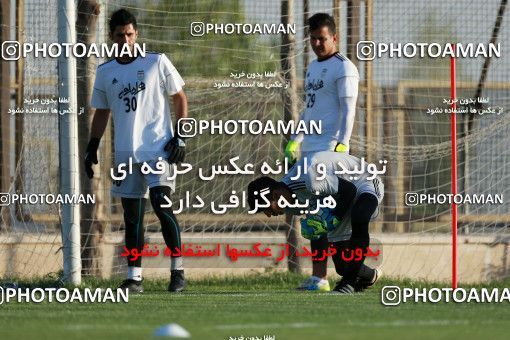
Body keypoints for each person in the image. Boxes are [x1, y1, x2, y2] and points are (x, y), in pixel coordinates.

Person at [84, 9, 188, 293]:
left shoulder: (156, 61)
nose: (126, 39)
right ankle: (134, 277)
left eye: (130, 34)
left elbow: (180, 97)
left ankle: (177, 272)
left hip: (158, 150)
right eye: (120, 35)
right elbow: (102, 111)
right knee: (132, 218)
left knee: (161, 203)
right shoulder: (106, 72)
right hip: (126, 155)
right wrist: (92, 145)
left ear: (137, 34)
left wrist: (179, 136)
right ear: (111, 37)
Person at [283, 13, 359, 291]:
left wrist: (342, 144)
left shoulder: (344, 68)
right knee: (315, 216)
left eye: (322, 38)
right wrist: (295, 139)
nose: (317, 43)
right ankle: (320, 277)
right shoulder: (314, 66)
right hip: (310, 150)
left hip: (329, 149)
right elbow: (310, 109)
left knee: (330, 216)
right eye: (313, 38)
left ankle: (351, 273)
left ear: (334, 38)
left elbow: (349, 109)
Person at [247, 152, 383, 294]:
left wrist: (333, 218)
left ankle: (348, 283)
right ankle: (370, 276)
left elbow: (349, 190)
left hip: (363, 180)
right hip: (338, 196)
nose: (268, 214)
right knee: (343, 266)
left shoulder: (310, 179)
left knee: (360, 216)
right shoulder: (290, 206)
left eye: (266, 208)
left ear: (275, 195)